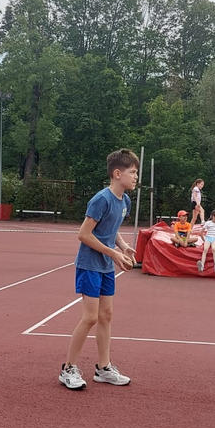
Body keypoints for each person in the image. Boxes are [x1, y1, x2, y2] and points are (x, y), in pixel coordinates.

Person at [59, 148, 139, 390]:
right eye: (132, 172)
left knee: (106, 315)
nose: (136, 177)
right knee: (91, 317)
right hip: (89, 265)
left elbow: (111, 230)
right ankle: (68, 368)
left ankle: (103, 368)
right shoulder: (101, 199)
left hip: (105, 266)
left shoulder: (124, 201)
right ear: (117, 174)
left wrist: (123, 246)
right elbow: (84, 234)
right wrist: (113, 253)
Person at [198, 209, 215, 273]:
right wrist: (204, 239)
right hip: (208, 238)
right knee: (205, 249)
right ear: (213, 216)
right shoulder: (208, 223)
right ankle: (202, 265)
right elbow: (201, 232)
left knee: (213, 249)